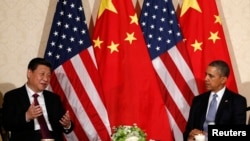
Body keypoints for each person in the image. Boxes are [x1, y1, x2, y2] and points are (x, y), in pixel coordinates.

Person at [2, 57, 74, 141]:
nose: (46, 79)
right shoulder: (12, 96)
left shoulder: (54, 98)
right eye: (42, 74)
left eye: (48, 75)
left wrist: (67, 125)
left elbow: (65, 127)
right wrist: (27, 116)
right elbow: (6, 124)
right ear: (29, 73)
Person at [183, 60, 247, 141]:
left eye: (211, 76)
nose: (206, 79)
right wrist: (190, 136)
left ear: (223, 80)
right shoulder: (198, 100)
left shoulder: (237, 101)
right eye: (206, 75)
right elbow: (188, 131)